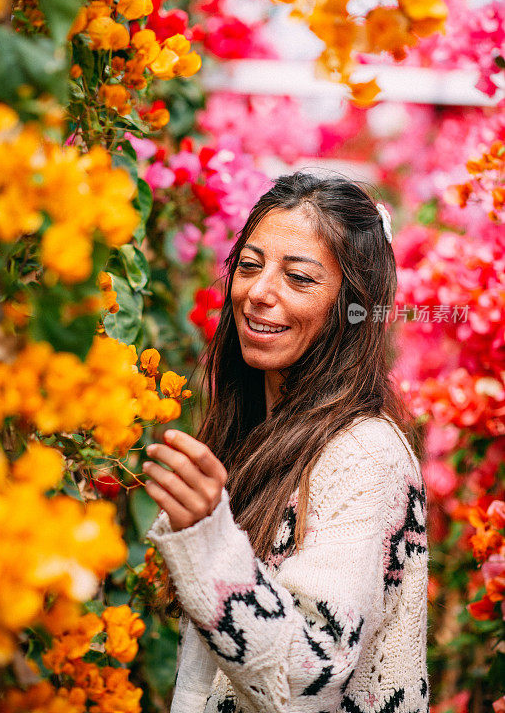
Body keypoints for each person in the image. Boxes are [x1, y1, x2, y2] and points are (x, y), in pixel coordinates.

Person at [143, 171, 428, 713]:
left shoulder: (363, 455)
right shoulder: (257, 431)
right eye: (249, 267)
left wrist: (209, 542)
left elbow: (312, 676)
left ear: (352, 307)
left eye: (298, 278)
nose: (258, 293)